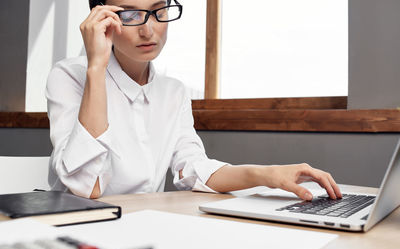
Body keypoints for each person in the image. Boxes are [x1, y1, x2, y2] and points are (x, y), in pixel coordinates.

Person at [46, 0, 342, 200]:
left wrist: (268, 174)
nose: (148, 30)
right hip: (75, 232)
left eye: (159, 10)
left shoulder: (173, 92)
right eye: (130, 15)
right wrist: (96, 66)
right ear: (100, 19)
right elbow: (88, 187)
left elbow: (192, 169)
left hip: (142, 226)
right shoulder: (70, 76)